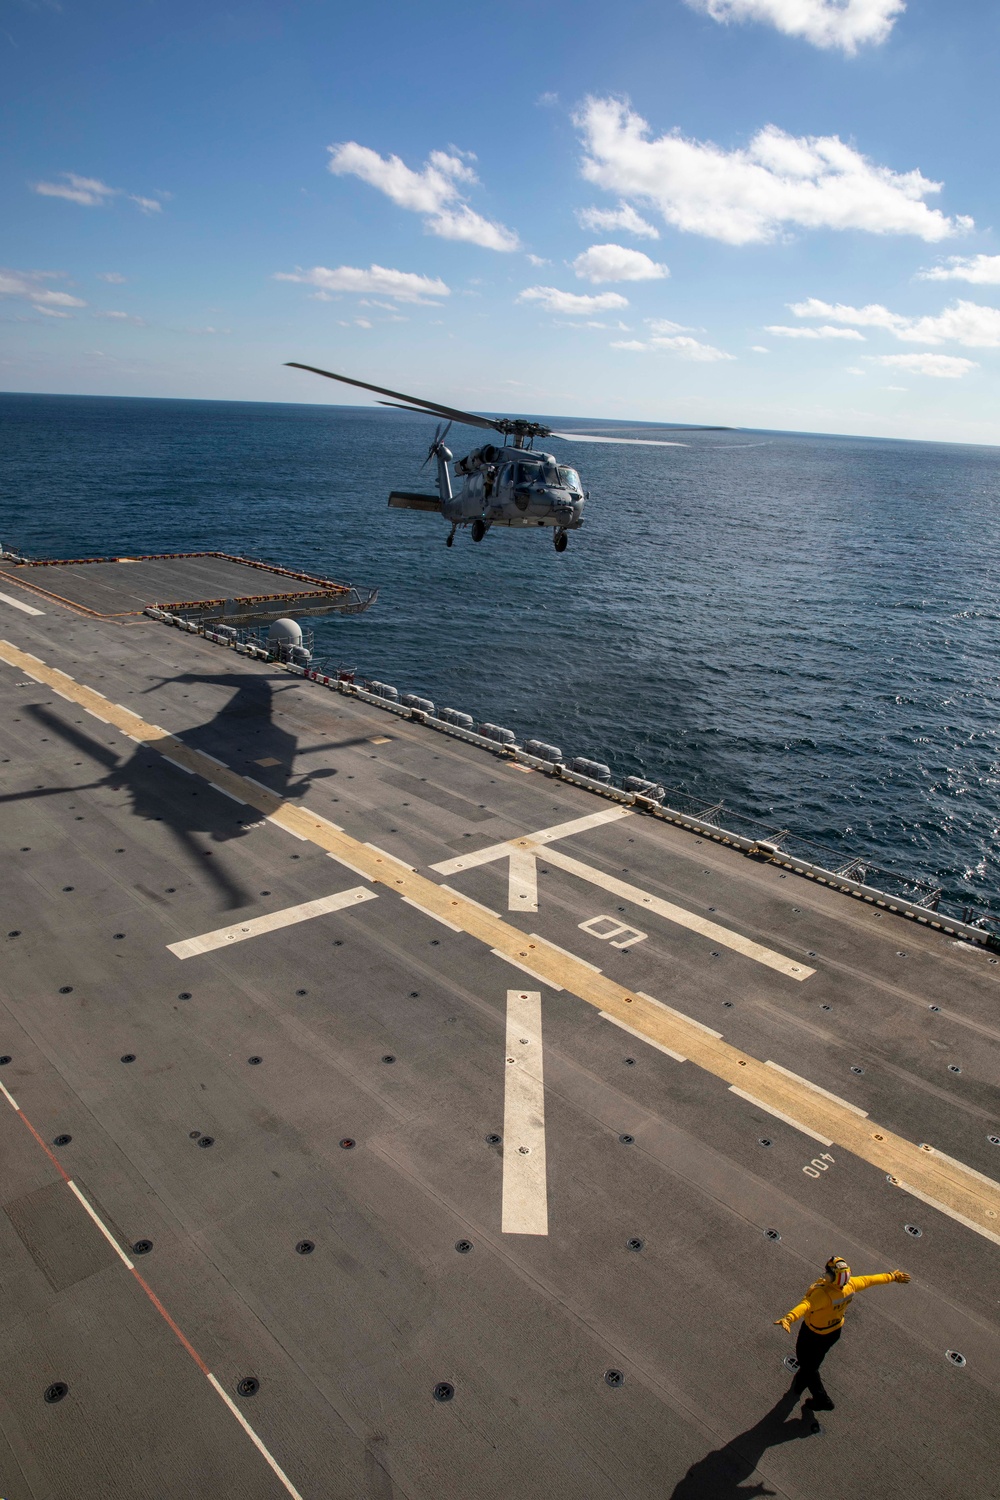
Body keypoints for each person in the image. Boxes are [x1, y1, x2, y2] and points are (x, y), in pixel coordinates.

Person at [774, 1256, 910, 1411]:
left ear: (830, 1277)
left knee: (806, 1362)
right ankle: (800, 1383)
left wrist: (789, 1318)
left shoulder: (824, 1295)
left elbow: (806, 1305)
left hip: (813, 1334)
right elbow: (870, 1280)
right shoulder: (850, 1285)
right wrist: (892, 1276)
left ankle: (822, 1400)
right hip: (833, 1333)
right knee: (813, 1362)